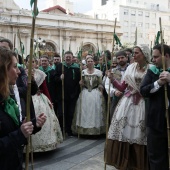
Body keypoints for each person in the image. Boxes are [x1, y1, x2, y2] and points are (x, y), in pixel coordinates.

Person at [105, 45, 153, 170]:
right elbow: (122, 87)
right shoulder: (131, 67)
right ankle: (125, 161)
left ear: (144, 54)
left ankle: (139, 163)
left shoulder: (151, 68)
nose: (134, 55)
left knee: (140, 133)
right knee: (124, 130)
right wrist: (112, 80)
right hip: (128, 102)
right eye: (134, 53)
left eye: (137, 53)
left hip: (144, 103)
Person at [0, 47, 45, 170]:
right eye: (15, 67)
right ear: (3, 70)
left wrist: (33, 124)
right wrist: (19, 134)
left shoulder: (8, 99)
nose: (19, 72)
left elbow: (12, 129)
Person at [140, 44, 170, 170]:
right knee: (156, 157)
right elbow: (143, 91)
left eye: (156, 57)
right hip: (155, 122)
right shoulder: (152, 71)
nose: (153, 60)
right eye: (152, 57)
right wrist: (158, 83)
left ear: (167, 56)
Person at [26, 57, 63, 152]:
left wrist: (50, 101)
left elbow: (45, 88)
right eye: (29, 61)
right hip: (28, 99)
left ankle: (45, 144)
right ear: (26, 63)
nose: (31, 63)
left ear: (35, 63)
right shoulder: (22, 73)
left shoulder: (41, 73)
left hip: (39, 98)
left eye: (33, 61)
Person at [72, 55, 106, 135]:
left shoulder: (98, 72)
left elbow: (100, 84)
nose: (90, 63)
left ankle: (95, 130)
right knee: (84, 111)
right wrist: (81, 84)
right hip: (85, 93)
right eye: (88, 61)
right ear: (86, 63)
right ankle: (83, 130)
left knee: (95, 111)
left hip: (95, 94)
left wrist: (101, 92)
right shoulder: (83, 72)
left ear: (94, 62)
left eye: (91, 61)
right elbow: (82, 84)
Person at [54, 51, 80, 136]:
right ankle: (62, 129)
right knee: (61, 114)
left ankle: (69, 130)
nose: (68, 58)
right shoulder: (59, 66)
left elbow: (78, 81)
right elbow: (55, 78)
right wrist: (59, 78)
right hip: (61, 95)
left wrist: (77, 91)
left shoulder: (76, 68)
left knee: (70, 113)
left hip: (72, 95)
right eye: (66, 57)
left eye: (69, 57)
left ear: (72, 58)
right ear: (64, 58)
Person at [105, 50, 129, 119]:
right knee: (115, 117)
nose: (120, 60)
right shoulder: (112, 71)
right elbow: (107, 84)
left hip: (129, 98)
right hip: (116, 98)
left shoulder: (131, 69)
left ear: (126, 58)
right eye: (118, 58)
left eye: (122, 57)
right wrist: (114, 91)